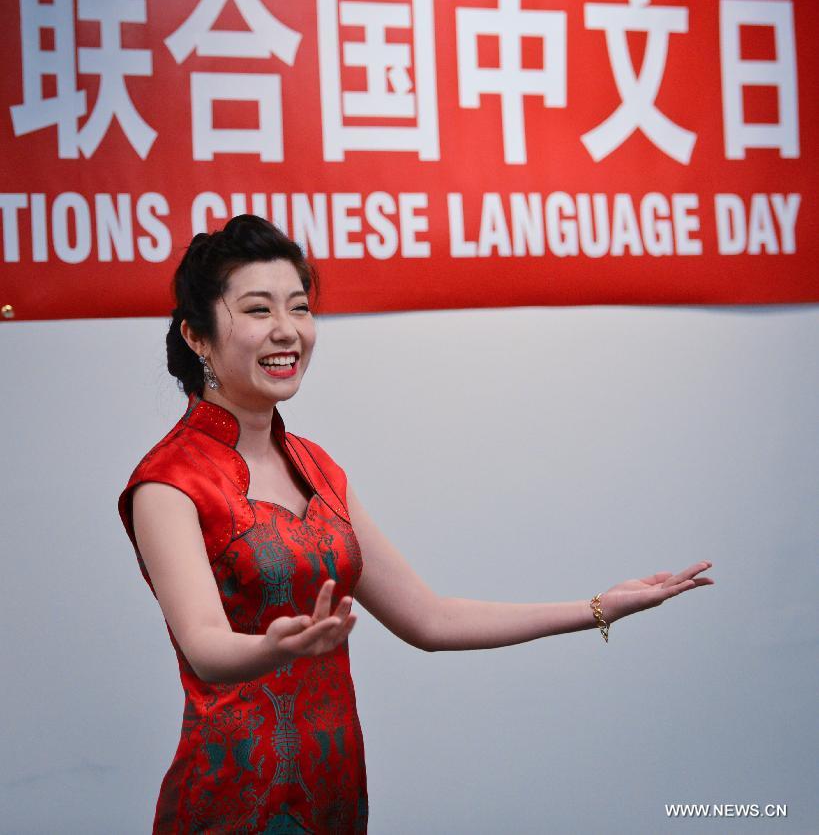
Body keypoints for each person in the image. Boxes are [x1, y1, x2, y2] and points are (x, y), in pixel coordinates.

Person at [119, 214, 714, 834]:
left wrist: (595, 607)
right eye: (259, 311)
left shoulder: (317, 467)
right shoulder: (169, 482)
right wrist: (272, 649)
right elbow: (206, 647)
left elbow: (428, 619)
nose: (289, 331)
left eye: (299, 307)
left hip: (336, 794)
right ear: (197, 335)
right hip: (231, 803)